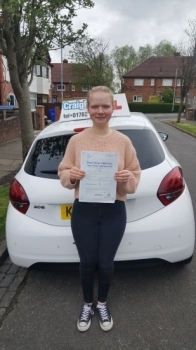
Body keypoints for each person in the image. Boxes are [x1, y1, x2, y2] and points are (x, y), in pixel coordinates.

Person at [58, 86, 141, 332]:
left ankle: (101, 303)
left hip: (114, 211)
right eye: (95, 106)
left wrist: (126, 179)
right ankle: (87, 304)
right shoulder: (77, 140)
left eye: (105, 106)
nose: (100, 111)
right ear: (88, 109)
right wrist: (71, 176)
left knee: (105, 263)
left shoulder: (124, 142)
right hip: (83, 210)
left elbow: (134, 181)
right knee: (87, 262)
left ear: (113, 108)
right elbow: (63, 173)